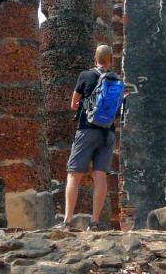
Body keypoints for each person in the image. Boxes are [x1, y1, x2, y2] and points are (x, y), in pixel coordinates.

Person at [53, 44, 117, 231]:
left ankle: (67, 221)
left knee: (74, 174)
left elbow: (74, 104)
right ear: (111, 60)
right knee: (100, 177)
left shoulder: (85, 76)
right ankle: (95, 222)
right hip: (108, 133)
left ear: (95, 59)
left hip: (87, 130)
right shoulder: (116, 80)